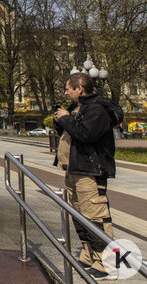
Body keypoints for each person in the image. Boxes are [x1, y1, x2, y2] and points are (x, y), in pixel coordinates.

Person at [53, 72, 116, 280]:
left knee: (95, 216)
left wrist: (66, 119)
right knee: (80, 216)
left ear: (80, 88)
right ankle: (90, 254)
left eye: (68, 88)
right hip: (74, 170)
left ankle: (107, 262)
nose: (65, 92)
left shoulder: (97, 108)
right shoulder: (77, 108)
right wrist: (61, 120)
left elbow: (87, 134)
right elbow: (71, 131)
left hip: (90, 171)